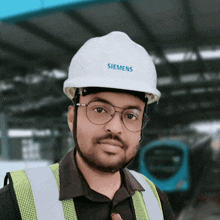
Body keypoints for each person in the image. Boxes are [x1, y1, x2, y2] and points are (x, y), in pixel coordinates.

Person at [0, 31, 175, 220]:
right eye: (99, 110)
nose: (115, 127)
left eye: (131, 115)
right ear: (72, 117)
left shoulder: (155, 201)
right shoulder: (16, 202)